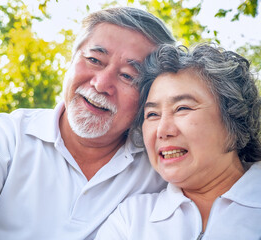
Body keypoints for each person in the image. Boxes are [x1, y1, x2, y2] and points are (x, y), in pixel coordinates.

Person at [0, 7, 175, 240]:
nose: (102, 84)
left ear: (150, 95)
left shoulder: (162, 164)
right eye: (93, 60)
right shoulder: (7, 136)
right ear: (69, 62)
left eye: (128, 76)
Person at [95, 43, 261, 239]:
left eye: (182, 108)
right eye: (152, 114)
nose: (163, 131)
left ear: (235, 119)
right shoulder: (131, 219)